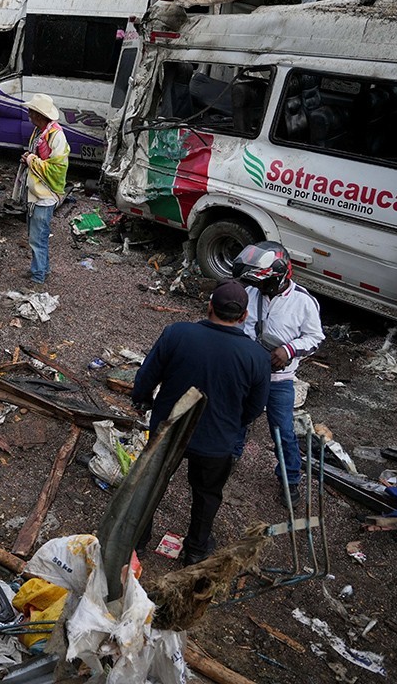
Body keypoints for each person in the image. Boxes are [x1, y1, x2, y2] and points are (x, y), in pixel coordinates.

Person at [132, 280, 271, 565]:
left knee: (151, 485)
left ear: (209, 307)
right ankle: (195, 549)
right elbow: (256, 406)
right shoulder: (257, 356)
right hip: (216, 440)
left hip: (169, 430)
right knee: (207, 495)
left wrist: (144, 400)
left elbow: (147, 375)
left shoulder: (178, 333)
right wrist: (233, 424)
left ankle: (137, 541)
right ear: (244, 316)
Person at [233, 242, 324, 499]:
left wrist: (290, 350)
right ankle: (231, 455)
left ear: (279, 277)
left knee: (283, 431)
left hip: (279, 380)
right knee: (238, 418)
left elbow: (316, 338)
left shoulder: (304, 303)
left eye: (263, 282)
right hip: (248, 374)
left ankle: (290, 480)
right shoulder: (250, 293)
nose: (258, 287)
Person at [19, 93, 70, 285]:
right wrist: (29, 158)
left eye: (31, 112)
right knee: (37, 236)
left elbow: (57, 169)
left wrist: (31, 160)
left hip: (45, 195)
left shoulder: (56, 136)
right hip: (37, 193)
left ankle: (38, 277)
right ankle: (41, 269)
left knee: (37, 238)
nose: (29, 115)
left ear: (39, 115)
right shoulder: (40, 132)